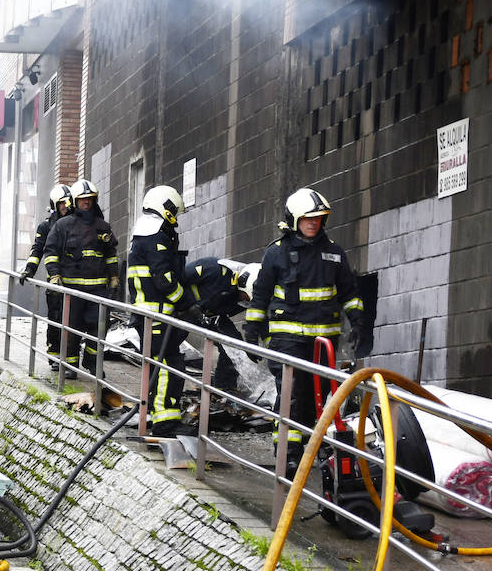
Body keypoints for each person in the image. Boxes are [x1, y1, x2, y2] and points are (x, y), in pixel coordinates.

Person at [244, 187, 370, 474]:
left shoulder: (335, 253)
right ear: (294, 219)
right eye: (308, 218)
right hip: (287, 339)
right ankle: (288, 454)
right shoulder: (276, 253)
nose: (314, 223)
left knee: (319, 395)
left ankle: (309, 448)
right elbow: (260, 295)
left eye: (318, 218)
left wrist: (359, 322)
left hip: (324, 339)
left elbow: (349, 293)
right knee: (291, 393)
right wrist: (252, 328)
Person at [127, 185, 190, 437]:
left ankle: (155, 414)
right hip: (158, 314)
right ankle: (165, 423)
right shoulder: (156, 237)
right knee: (168, 366)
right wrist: (185, 303)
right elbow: (164, 280)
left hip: (150, 314)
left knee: (157, 366)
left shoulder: (145, 233)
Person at [42, 178, 119, 374]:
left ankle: (92, 362)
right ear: (75, 202)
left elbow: (111, 255)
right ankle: (70, 366)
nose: (87, 203)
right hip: (72, 289)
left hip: (98, 290)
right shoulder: (63, 226)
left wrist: (114, 277)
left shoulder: (103, 226)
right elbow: (50, 252)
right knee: (71, 328)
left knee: (98, 328)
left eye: (91, 199)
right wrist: (54, 275)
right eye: (83, 200)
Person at [19, 183, 73, 368]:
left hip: (75, 281)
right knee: (56, 318)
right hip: (56, 283)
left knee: (74, 321)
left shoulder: (77, 224)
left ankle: (71, 359)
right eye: (62, 204)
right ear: (55, 204)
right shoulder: (46, 226)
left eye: (68, 203)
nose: (66, 207)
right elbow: (37, 250)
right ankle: (55, 356)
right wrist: (29, 270)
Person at [183, 257, 254, 396]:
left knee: (233, 344)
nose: (244, 301)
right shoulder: (213, 270)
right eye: (245, 297)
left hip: (212, 315)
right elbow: (179, 279)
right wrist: (185, 304)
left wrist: (253, 344)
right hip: (184, 309)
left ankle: (223, 388)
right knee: (170, 348)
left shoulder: (245, 296)